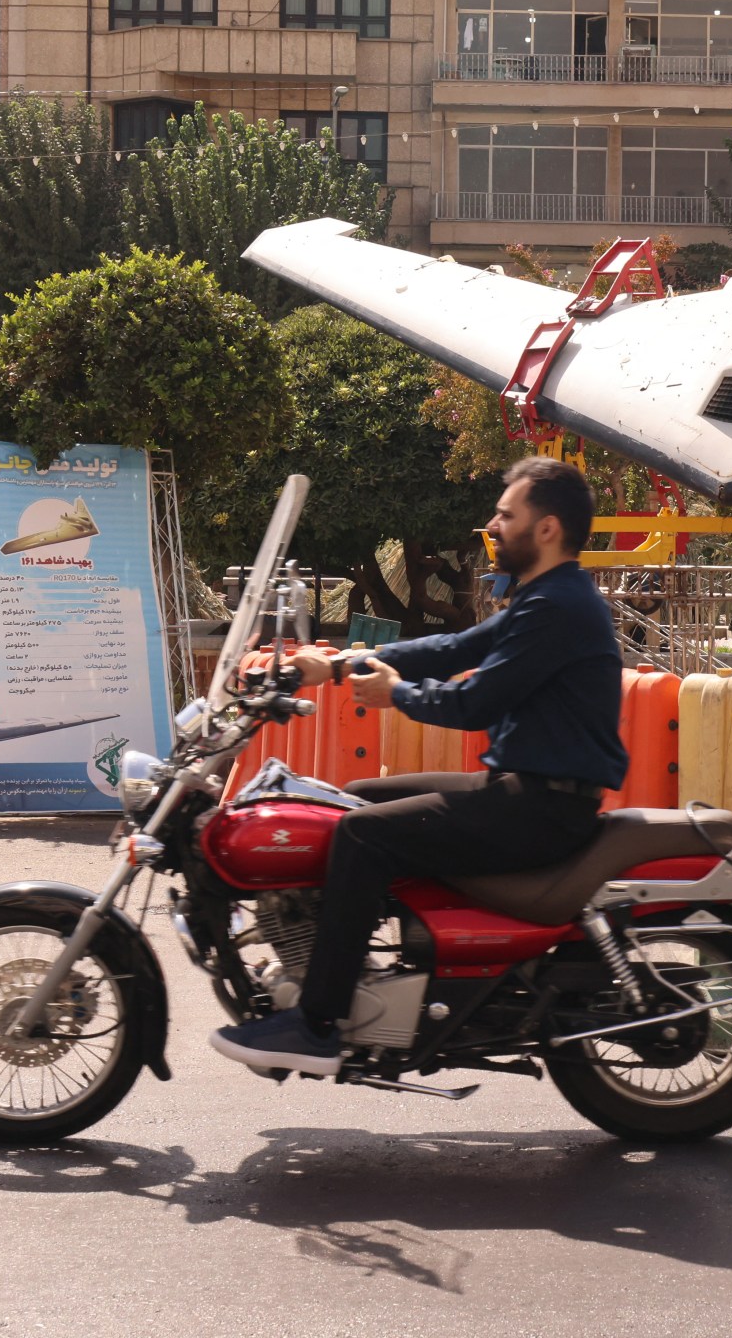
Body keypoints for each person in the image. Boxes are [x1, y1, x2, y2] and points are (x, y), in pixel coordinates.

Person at [211, 457, 629, 1075]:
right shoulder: (546, 597)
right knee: (350, 799)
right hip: (526, 789)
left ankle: (319, 1021)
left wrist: (396, 695)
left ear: (546, 529)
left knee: (360, 834)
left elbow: (476, 700)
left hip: (543, 805)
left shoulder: (558, 606)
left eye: (506, 515)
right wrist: (339, 665)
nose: (492, 525)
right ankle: (367, 974)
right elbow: (452, 648)